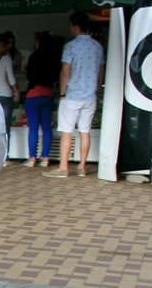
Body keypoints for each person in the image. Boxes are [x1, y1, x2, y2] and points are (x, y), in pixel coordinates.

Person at [43, 12, 104, 179]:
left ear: (76, 27)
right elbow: (101, 72)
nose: (69, 28)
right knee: (85, 131)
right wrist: (97, 92)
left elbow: (65, 72)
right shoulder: (97, 47)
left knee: (66, 132)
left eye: (70, 25)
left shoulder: (70, 46)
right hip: (90, 96)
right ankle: (82, 167)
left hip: (72, 95)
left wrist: (62, 93)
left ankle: (63, 167)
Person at [23, 31, 61, 167]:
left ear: (38, 42)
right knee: (46, 128)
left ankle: (32, 158)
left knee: (33, 128)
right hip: (48, 94)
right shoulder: (54, 57)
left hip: (33, 94)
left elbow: (29, 76)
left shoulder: (33, 57)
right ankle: (45, 158)